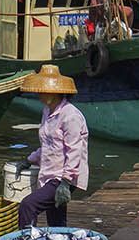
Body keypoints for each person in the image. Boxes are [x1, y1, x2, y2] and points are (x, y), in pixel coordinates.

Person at [15, 64, 89, 226]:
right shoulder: (47, 112)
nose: (40, 94)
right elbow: (48, 145)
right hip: (48, 173)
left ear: (55, 91)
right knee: (56, 222)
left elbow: (74, 150)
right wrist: (29, 160)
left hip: (62, 176)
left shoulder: (70, 116)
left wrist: (65, 182)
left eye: (43, 90)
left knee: (28, 205)